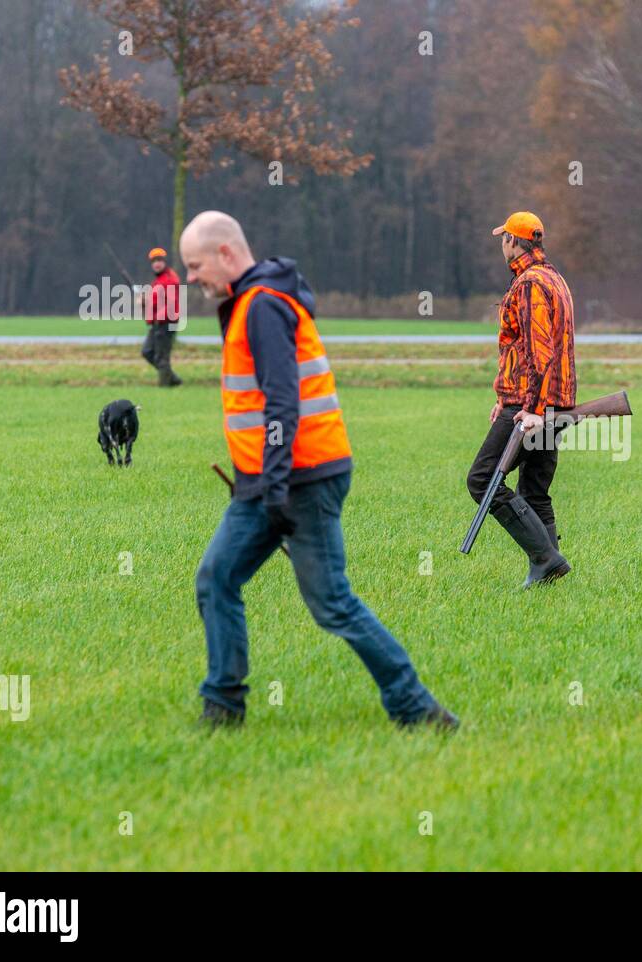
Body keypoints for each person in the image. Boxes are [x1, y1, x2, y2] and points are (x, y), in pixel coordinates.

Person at [179, 210, 458, 730]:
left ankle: (417, 709)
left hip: (301, 478)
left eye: (195, 265)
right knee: (216, 577)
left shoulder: (263, 305)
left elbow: (282, 402)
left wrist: (277, 487)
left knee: (332, 603)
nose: (191, 278)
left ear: (224, 253)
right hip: (269, 480)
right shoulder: (249, 301)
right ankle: (222, 706)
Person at [465, 211, 576, 588]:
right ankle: (549, 570)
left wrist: (530, 408)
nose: (502, 244)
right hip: (554, 402)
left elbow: (538, 351)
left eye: (504, 238)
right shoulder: (554, 279)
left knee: (481, 480)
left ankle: (545, 558)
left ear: (514, 242)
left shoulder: (529, 284)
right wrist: (506, 396)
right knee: (534, 490)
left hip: (532, 406)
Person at [140, 246, 183, 386]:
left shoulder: (169, 280)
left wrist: (146, 303)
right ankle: (173, 379)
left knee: (162, 358)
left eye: (159, 260)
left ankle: (165, 386)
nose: (157, 263)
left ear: (165, 262)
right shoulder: (158, 281)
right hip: (157, 323)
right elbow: (154, 302)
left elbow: (170, 305)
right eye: (154, 261)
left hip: (165, 323)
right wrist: (144, 302)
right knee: (147, 351)